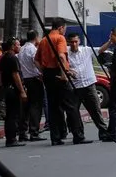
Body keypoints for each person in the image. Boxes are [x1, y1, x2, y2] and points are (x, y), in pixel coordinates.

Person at [35, 18, 92, 146]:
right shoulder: (59, 38)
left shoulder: (44, 40)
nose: (65, 32)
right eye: (64, 29)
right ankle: (78, 135)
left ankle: (55, 138)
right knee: (71, 106)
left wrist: (44, 72)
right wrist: (63, 74)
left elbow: (36, 60)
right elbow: (61, 56)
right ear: (61, 28)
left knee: (53, 107)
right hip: (58, 74)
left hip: (48, 75)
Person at [66, 33, 109, 141]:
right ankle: (78, 135)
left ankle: (103, 132)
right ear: (68, 42)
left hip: (89, 85)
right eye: (72, 42)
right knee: (74, 111)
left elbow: (100, 50)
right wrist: (68, 71)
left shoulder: (86, 50)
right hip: (75, 87)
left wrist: (110, 41)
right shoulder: (65, 53)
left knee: (95, 109)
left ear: (79, 41)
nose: (74, 44)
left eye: (76, 41)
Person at [18, 30, 46, 142]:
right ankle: (34, 132)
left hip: (26, 79)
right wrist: (42, 73)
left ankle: (23, 131)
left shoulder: (22, 49)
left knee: (27, 107)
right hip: (35, 79)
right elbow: (36, 61)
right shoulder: (33, 49)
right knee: (36, 106)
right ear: (36, 37)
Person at [0, 38, 27, 147]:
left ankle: (10, 138)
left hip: (7, 88)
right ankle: (12, 138)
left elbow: (0, 75)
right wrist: (22, 90)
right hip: (13, 89)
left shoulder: (3, 58)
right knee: (14, 114)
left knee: (10, 114)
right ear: (12, 47)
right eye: (17, 45)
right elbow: (15, 75)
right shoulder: (12, 58)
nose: (19, 47)